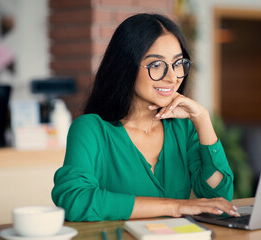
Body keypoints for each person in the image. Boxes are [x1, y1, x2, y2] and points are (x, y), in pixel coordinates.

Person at [52, 13, 239, 221]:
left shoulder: (183, 128)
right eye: (156, 65)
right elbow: (74, 200)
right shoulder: (91, 129)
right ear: (126, 66)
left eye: (178, 64)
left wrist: (202, 118)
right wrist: (175, 206)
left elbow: (218, 199)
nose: (172, 77)